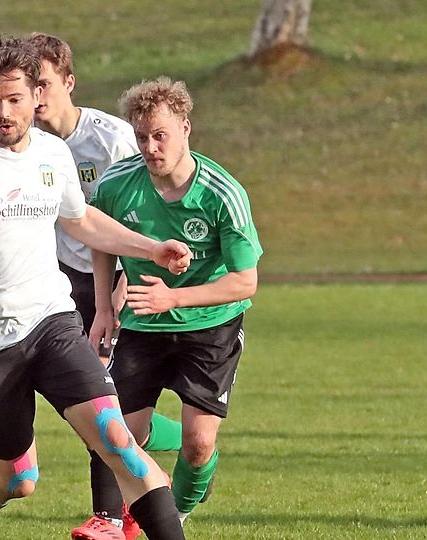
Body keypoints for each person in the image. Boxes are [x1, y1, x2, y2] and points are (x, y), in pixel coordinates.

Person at [0, 36, 189, 540]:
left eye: (14, 99)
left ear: (35, 96)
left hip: (50, 322)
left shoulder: (51, 154)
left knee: (117, 440)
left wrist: (150, 247)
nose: (2, 112)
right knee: (18, 479)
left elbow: (81, 220)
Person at [27, 32, 183, 540]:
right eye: (26, 84)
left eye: (43, 82)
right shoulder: (26, 143)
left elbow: (129, 217)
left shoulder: (111, 139)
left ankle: (111, 517)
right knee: (84, 398)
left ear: (69, 81)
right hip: (61, 280)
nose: (34, 94)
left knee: (100, 394)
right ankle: (175, 440)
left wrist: (112, 302)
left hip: (124, 274)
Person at [89, 77, 263, 530]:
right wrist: (105, 308)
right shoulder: (116, 184)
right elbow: (100, 240)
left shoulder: (222, 193)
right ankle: (133, 515)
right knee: (116, 435)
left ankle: (177, 515)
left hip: (210, 326)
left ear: (186, 127)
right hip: (143, 326)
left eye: (160, 135)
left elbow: (246, 281)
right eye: (141, 136)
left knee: (198, 443)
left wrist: (175, 298)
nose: (150, 146)